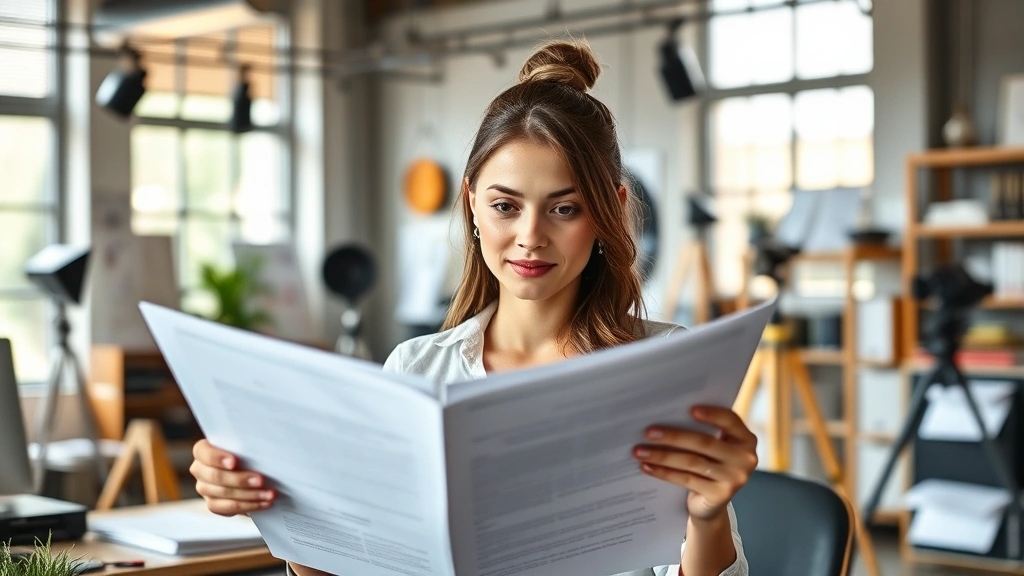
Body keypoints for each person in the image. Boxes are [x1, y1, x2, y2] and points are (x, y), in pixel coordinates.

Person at [190, 39, 755, 576]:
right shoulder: (416, 371)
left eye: (565, 209)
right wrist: (279, 511)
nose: (530, 237)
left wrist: (705, 517)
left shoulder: (663, 364)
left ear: (613, 208)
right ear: (472, 206)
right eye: (506, 205)